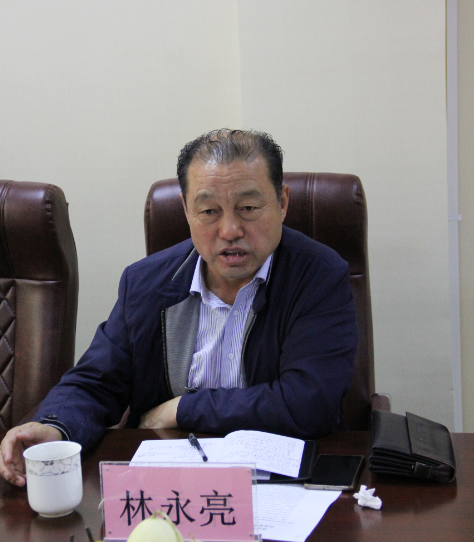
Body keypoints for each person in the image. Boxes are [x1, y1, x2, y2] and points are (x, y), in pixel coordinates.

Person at [0, 129, 358, 487]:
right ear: (187, 210)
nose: (230, 230)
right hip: (171, 484)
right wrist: (54, 428)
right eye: (209, 211)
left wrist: (182, 408)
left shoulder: (319, 276)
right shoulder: (146, 283)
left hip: (286, 482)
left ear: (282, 203)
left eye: (248, 208)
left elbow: (308, 402)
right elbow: (96, 382)